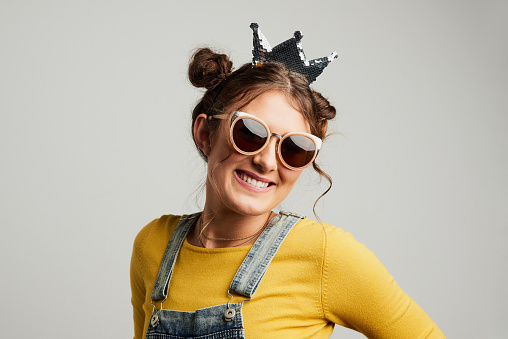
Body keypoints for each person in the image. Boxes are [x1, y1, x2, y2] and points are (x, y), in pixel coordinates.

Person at [130, 23, 445, 339]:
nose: (267, 161)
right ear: (205, 135)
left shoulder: (325, 254)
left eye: (294, 148)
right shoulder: (153, 246)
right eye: (250, 132)